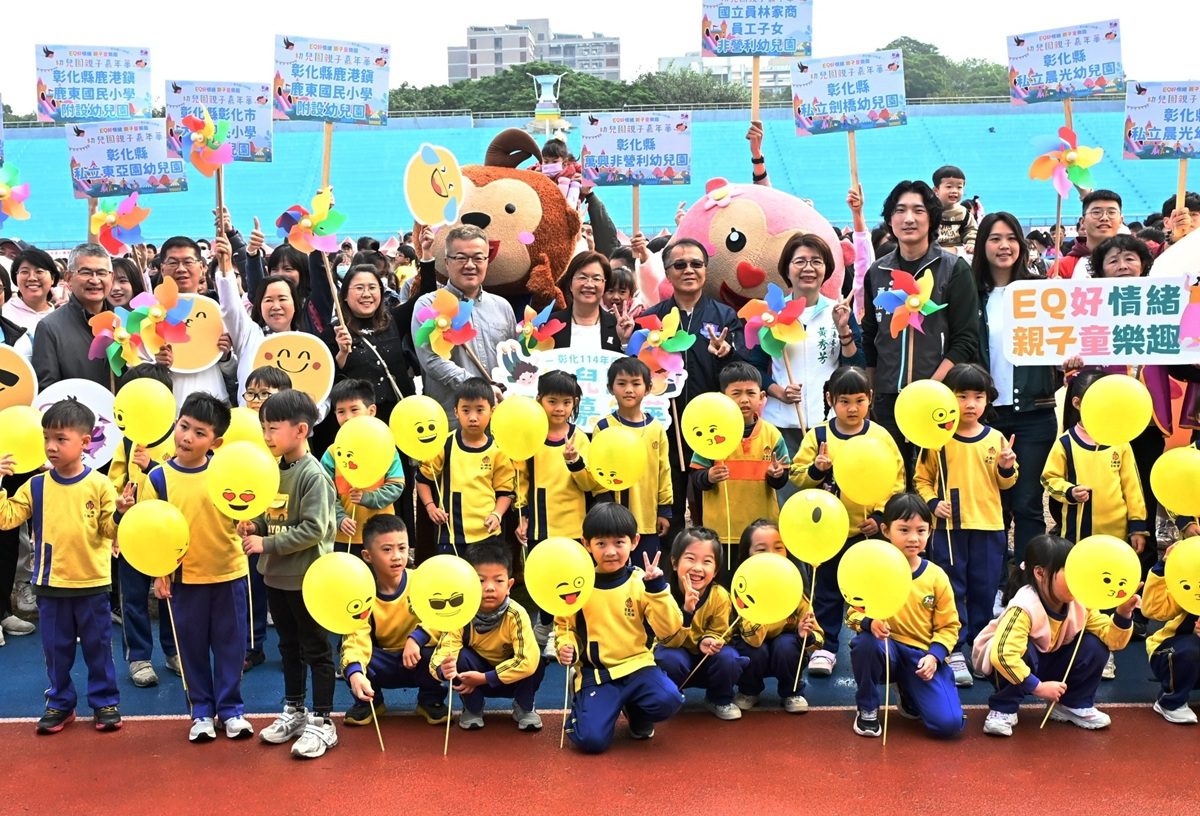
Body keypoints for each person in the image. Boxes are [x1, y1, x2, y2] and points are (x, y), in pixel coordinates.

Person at [134, 394, 252, 741]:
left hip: (229, 572)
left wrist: (249, 522)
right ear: (175, 424)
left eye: (199, 433)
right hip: (184, 580)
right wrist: (159, 574)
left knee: (232, 648)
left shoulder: (227, 473)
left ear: (216, 442)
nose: (187, 437)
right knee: (191, 649)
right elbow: (150, 531)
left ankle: (231, 710)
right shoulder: (157, 479)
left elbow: (248, 511)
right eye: (184, 427)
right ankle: (201, 711)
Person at [0, 400, 122, 733]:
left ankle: (105, 702)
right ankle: (60, 703)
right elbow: (6, 519)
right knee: (56, 651)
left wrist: (121, 512)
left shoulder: (100, 485)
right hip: (50, 585)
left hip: (92, 583)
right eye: (46, 438)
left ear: (85, 442)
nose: (51, 446)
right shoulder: (36, 485)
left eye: (60, 439)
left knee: (98, 648)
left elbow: (110, 530)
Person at [238, 390, 338, 759]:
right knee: (288, 647)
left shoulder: (313, 475)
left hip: (306, 579)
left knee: (316, 649)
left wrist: (265, 543)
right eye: (263, 428)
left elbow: (313, 529)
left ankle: (323, 720)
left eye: (273, 428)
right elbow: (271, 517)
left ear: (300, 430)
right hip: (276, 577)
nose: (266, 436)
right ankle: (295, 710)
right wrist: (254, 525)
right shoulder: (273, 470)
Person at [790, 366, 905, 677]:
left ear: (870, 398)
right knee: (826, 590)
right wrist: (816, 469)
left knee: (869, 590)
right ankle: (825, 646)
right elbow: (797, 476)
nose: (852, 409)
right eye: (844, 401)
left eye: (859, 401)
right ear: (830, 400)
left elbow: (896, 480)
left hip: (867, 532)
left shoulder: (879, 437)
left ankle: (870, 643)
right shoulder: (819, 436)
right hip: (827, 532)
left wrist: (880, 515)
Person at [861, 181, 980, 475]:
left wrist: (931, 388)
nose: (909, 219)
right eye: (900, 210)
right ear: (890, 219)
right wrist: (873, 390)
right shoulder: (877, 272)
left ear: (932, 218)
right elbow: (870, 335)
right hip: (888, 398)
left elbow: (966, 339)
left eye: (918, 210)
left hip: (937, 398)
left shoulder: (954, 268)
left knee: (934, 481)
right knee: (893, 480)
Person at [914, 363, 1018, 687]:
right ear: (948, 397)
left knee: (984, 589)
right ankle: (954, 648)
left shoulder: (996, 438)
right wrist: (933, 503)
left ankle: (979, 646)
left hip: (989, 526)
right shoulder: (937, 439)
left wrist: (1006, 466)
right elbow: (921, 479)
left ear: (988, 400)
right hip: (949, 529)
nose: (970, 404)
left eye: (978, 397)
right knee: (953, 588)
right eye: (962, 396)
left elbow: (1007, 483)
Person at [973, 535, 1138, 736]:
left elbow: (1112, 640)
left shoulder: (1080, 602)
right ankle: (1003, 707)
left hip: (1046, 659)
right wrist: (1038, 687)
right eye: (1071, 573)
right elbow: (1002, 655)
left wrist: (1123, 614)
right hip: (1005, 664)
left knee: (1095, 645)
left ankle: (1072, 704)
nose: (1078, 579)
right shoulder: (1024, 606)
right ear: (1040, 573)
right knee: (1021, 648)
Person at [555, 503, 684, 753]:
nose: (610, 551)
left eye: (619, 542)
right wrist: (565, 646)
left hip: (637, 667)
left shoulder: (641, 582)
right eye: (601, 543)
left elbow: (670, 628)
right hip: (598, 673)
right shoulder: (578, 586)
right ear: (586, 544)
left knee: (669, 699)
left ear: (634, 542)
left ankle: (637, 712)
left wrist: (657, 589)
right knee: (590, 742)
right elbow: (565, 627)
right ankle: (585, 703)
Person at [641, 239, 743, 551]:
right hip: (665, 429)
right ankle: (668, 570)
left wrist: (727, 353)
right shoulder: (651, 320)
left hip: (711, 430)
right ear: (667, 273)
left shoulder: (725, 317)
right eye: (680, 265)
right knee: (666, 508)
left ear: (705, 270)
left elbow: (741, 371)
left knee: (709, 507)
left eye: (696, 264)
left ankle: (710, 566)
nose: (689, 270)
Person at [972, 213, 1058, 569]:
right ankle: (992, 579)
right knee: (992, 504)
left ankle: (1028, 578)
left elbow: (1063, 339)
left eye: (1011, 238)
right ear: (982, 245)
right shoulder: (970, 293)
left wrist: (1068, 358)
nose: (1004, 246)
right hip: (985, 416)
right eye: (995, 238)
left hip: (1034, 413)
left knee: (1027, 502)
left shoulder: (1042, 291)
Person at [847, 493, 964, 739]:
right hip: (885, 648)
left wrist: (935, 656)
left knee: (949, 725)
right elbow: (852, 613)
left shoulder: (936, 576)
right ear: (885, 530)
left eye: (921, 531)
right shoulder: (873, 572)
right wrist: (870, 623)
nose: (913, 538)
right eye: (904, 530)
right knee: (866, 643)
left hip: (920, 656)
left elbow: (949, 626)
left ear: (930, 532)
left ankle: (909, 691)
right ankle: (867, 707)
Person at [759, 233, 863, 472]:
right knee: (788, 488)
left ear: (826, 269)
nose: (809, 268)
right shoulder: (771, 315)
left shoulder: (839, 312)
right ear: (787, 269)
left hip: (830, 425)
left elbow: (855, 367)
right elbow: (753, 367)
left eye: (816, 261)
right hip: (782, 425)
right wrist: (779, 392)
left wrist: (844, 331)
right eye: (800, 261)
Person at [341, 514, 449, 728]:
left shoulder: (421, 581)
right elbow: (355, 638)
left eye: (402, 548)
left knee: (440, 651)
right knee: (350, 657)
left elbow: (440, 619)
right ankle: (370, 700)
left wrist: (417, 638)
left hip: (418, 658)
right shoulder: (363, 593)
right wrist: (354, 672)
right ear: (367, 555)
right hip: (383, 661)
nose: (397, 557)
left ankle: (430, 699)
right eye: (387, 550)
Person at [514, 371, 596, 651]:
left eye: (566, 402)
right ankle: (545, 625)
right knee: (544, 576)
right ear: (539, 400)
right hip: (541, 523)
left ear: (575, 404)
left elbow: (589, 483)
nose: (559, 408)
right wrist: (522, 514)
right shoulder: (532, 438)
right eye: (552, 401)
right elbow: (521, 479)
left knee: (571, 577)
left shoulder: (580, 438)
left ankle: (569, 631)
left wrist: (575, 462)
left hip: (574, 522)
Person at [109, 364, 179, 688]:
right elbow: (113, 482)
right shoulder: (127, 442)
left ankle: (174, 650)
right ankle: (139, 657)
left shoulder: (179, 438)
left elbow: (182, 480)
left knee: (170, 594)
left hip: (168, 531)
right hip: (133, 532)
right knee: (133, 596)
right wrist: (118, 504)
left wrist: (151, 466)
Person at [432, 541, 546, 731]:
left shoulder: (516, 614)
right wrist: (443, 670)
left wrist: (485, 677)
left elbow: (527, 661)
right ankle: (473, 708)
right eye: (481, 580)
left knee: (536, 661)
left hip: (508, 679)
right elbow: (442, 653)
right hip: (472, 680)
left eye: (498, 581)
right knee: (458, 658)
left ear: (509, 585)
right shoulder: (461, 614)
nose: (490, 588)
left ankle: (524, 706)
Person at [690, 362, 789, 578]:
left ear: (761, 397)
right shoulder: (710, 433)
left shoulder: (772, 434)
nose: (744, 399)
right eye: (736, 393)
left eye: (750, 393)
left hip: (761, 535)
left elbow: (782, 479)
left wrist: (777, 475)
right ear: (722, 397)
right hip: (722, 532)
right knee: (726, 584)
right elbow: (696, 477)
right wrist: (708, 476)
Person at [411, 225, 517, 421]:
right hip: (452, 421)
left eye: (478, 258)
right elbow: (431, 361)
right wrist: (481, 390)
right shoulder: (429, 305)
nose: (470, 265)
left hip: (499, 419)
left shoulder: (502, 307)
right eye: (461, 258)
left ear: (487, 261)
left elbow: (512, 358)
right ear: (447, 262)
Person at [654, 527, 747, 721]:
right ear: (674, 563)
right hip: (678, 655)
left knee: (729, 658)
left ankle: (718, 699)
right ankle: (672, 696)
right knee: (667, 658)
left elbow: (721, 631)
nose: (698, 568)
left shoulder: (720, 596)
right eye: (690, 558)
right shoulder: (664, 595)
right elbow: (667, 640)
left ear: (716, 570)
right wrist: (687, 612)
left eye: (707, 561)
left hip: (708, 660)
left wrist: (709, 639)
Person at [416, 377, 515, 557]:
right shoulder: (445, 444)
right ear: (456, 411)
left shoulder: (498, 450)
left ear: (492, 411)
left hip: (487, 533)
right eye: (466, 410)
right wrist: (431, 507)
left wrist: (497, 515)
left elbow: (505, 491)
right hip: (451, 534)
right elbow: (423, 479)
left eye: (480, 410)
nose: (473, 417)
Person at [730, 520, 821, 714]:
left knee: (786, 646)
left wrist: (806, 635)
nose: (771, 555)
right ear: (747, 555)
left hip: (784, 649)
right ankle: (749, 690)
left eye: (778, 548)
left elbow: (819, 640)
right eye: (761, 549)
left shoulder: (795, 589)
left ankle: (792, 691)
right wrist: (764, 603)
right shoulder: (741, 590)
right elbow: (753, 640)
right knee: (754, 651)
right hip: (755, 645)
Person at [237, 365, 292, 671]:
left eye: (265, 394)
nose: (256, 400)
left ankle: (293, 649)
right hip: (250, 524)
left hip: (283, 524)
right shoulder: (239, 431)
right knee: (251, 587)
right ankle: (251, 645)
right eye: (251, 393)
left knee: (286, 593)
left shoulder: (290, 438)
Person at [593, 357, 672, 564]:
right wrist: (606, 509)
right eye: (622, 383)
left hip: (647, 519)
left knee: (645, 573)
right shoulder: (604, 427)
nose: (629, 390)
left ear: (648, 389)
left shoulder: (656, 429)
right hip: (613, 521)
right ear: (610, 388)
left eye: (636, 384)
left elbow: (664, 471)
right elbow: (597, 473)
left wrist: (664, 510)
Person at [319, 379, 405, 557]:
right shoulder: (333, 452)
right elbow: (325, 492)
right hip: (344, 535)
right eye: (341, 412)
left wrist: (368, 498)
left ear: (371, 411)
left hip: (382, 535)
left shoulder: (386, 447)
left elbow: (396, 486)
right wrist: (339, 517)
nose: (347, 417)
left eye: (354, 409)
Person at [159, 235, 233, 403]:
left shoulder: (216, 311)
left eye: (188, 262)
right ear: (162, 269)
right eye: (173, 263)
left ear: (202, 268)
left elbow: (234, 371)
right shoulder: (151, 314)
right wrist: (156, 364)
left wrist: (225, 356)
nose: (181, 269)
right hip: (167, 407)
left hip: (214, 404)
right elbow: (136, 368)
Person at [31, 243, 113, 389]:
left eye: (101, 273)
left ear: (111, 277)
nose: (95, 280)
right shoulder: (50, 328)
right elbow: (47, 389)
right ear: (68, 278)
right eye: (86, 272)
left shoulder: (124, 321)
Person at [1142, 543, 1200, 724]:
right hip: (1171, 651)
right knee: (1190, 650)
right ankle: (1170, 702)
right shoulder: (1191, 584)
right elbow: (1153, 609)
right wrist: (1163, 566)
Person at [549, 251, 625, 351]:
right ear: (570, 284)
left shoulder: (617, 326)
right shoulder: (551, 323)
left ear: (605, 285)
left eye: (596, 279)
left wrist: (625, 341)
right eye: (582, 277)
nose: (589, 284)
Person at [1051, 190, 1124, 278]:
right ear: (1083, 221)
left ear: (1121, 221)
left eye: (1111, 212)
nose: (1104, 218)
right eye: (1096, 212)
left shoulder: (1130, 263)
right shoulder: (1061, 267)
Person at [2, 247, 59, 339]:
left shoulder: (63, 316)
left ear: (52, 278)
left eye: (39, 271)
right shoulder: (4, 313)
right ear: (15, 277)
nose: (32, 278)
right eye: (24, 272)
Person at [932, 166, 978, 252]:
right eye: (949, 186)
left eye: (959, 187)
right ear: (936, 190)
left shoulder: (963, 213)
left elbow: (971, 230)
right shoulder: (928, 211)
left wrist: (971, 243)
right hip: (932, 252)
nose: (954, 191)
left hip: (956, 252)